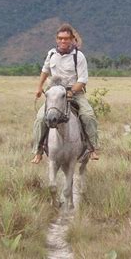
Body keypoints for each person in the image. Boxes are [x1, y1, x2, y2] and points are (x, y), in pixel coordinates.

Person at [31, 23, 99, 164]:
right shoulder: (51, 54)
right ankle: (38, 151)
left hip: (74, 92)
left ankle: (93, 148)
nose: (63, 41)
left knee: (88, 115)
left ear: (72, 39)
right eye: (60, 38)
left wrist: (71, 91)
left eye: (66, 38)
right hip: (55, 93)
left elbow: (83, 80)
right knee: (40, 118)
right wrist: (39, 87)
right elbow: (45, 71)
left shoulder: (78, 57)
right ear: (56, 39)